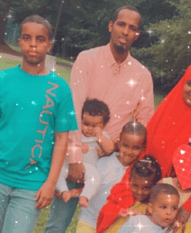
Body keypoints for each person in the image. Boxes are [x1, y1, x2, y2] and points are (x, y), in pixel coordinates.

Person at [45, 6, 154, 232]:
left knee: (103, 224)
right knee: (57, 224)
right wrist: (75, 157)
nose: (125, 31)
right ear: (110, 26)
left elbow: (144, 122)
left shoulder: (142, 75)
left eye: (132, 28)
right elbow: (72, 108)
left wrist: (121, 149)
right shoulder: (87, 59)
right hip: (80, 153)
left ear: (137, 35)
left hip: (114, 164)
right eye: (121, 24)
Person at [97, 61, 191, 233]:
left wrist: (187, 208)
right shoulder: (166, 109)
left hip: (179, 208)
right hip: (146, 197)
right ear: (183, 82)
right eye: (190, 83)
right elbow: (144, 150)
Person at [0, 15, 77, 233]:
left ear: (49, 45)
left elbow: (62, 138)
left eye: (40, 39)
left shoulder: (60, 89)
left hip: (31, 186)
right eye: (27, 38)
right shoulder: (3, 80)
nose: (33, 44)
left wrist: (51, 183)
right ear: (20, 42)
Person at [76, 121, 147, 233]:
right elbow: (90, 185)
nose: (129, 151)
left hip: (113, 225)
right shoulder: (103, 163)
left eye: (135, 148)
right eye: (126, 145)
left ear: (143, 148)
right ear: (119, 142)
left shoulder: (138, 172)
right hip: (89, 220)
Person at [55, 98, 114, 206]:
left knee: (96, 178)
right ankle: (63, 191)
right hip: (69, 165)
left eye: (95, 126)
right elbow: (64, 144)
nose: (90, 129)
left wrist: (100, 136)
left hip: (88, 168)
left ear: (104, 126)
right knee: (57, 171)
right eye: (86, 124)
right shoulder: (76, 134)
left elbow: (110, 148)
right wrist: (77, 147)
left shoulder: (102, 136)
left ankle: (84, 197)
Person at [102, 155, 162, 233]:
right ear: (130, 181)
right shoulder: (123, 196)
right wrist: (125, 212)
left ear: (154, 186)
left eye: (146, 188)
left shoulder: (152, 208)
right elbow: (106, 213)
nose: (139, 192)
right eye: (135, 186)